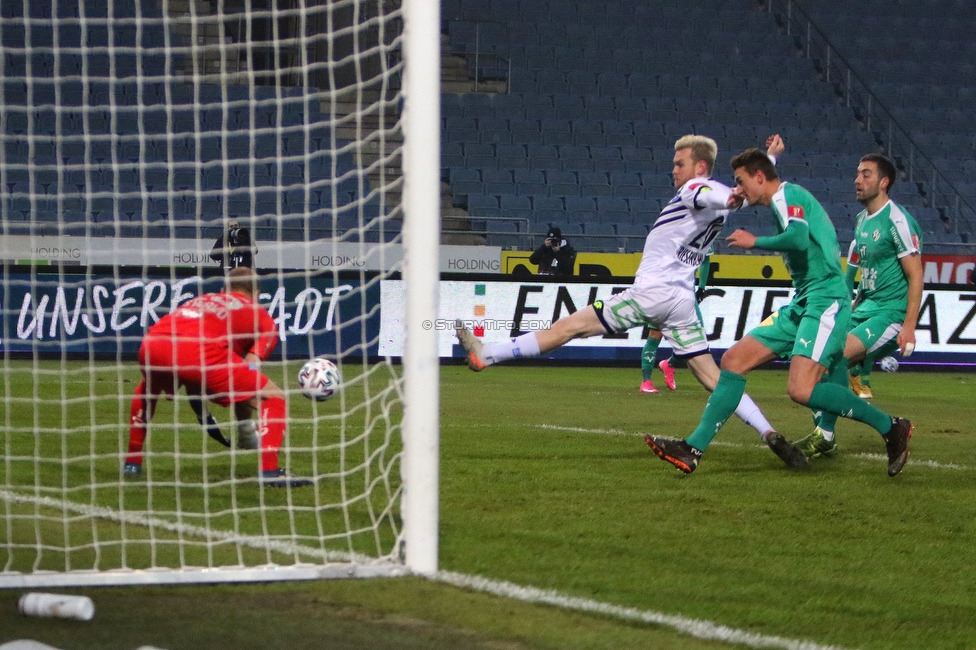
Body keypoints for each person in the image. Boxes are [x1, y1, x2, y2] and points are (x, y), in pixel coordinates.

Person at [457, 135, 789, 461]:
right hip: (682, 301)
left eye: (680, 163)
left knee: (571, 326)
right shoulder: (722, 197)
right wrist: (767, 163)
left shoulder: (696, 188)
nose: (673, 170)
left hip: (652, 294)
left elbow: (712, 192)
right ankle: (768, 431)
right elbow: (740, 196)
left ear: (699, 167)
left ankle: (487, 355)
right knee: (713, 377)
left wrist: (729, 196)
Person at [645, 145, 914, 477]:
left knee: (801, 389)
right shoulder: (780, 200)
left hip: (825, 300)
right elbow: (793, 229)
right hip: (804, 301)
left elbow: (799, 239)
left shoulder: (790, 195)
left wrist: (754, 242)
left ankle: (890, 427)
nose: (738, 190)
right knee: (733, 360)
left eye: (741, 181)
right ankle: (692, 449)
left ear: (759, 177)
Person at [123, 267, 311, 488]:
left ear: (223, 289)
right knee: (273, 397)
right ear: (257, 293)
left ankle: (132, 462)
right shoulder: (259, 315)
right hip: (199, 353)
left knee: (148, 389)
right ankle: (270, 471)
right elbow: (250, 368)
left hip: (152, 344)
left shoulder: (203, 299)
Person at [793, 153, 922, 458]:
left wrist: (909, 327)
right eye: (857, 174)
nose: (857, 180)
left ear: (884, 182)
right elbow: (867, 277)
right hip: (864, 308)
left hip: (890, 313)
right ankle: (824, 432)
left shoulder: (898, 220)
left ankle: (825, 435)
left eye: (866, 174)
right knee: (815, 359)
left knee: (835, 357)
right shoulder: (862, 220)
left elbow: (916, 276)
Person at [641, 255, 710, 393]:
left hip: (686, 294)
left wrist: (701, 287)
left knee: (697, 341)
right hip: (663, 291)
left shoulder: (703, 235)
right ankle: (646, 382)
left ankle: (669, 364)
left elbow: (705, 260)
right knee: (655, 336)